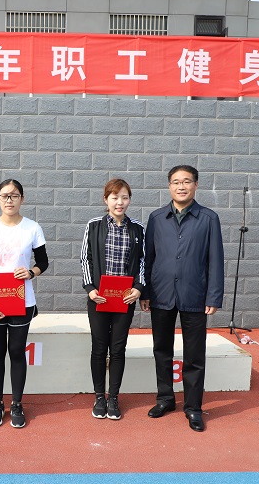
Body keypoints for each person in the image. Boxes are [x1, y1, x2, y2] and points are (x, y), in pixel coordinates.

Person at [140, 165, 224, 432]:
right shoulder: (156, 218)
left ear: (196, 185)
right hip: (161, 293)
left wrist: (213, 296)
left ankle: (193, 407)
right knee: (161, 349)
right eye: (176, 182)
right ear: (169, 186)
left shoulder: (208, 219)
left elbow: (216, 260)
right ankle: (165, 399)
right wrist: (145, 292)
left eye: (186, 181)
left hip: (195, 294)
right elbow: (148, 258)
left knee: (194, 354)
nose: (181, 186)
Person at [0, 179, 49, 428]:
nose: (9, 200)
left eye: (14, 195)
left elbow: (43, 262)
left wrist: (31, 272)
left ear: (22, 199)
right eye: (5, 196)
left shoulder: (32, 228)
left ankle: (17, 403)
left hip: (21, 300)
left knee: (17, 352)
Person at [80, 178, 145, 420]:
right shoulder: (94, 225)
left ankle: (114, 397)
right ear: (105, 199)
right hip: (99, 298)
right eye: (115, 197)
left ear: (129, 200)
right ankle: (99, 396)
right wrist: (90, 289)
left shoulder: (137, 229)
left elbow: (143, 261)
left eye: (124, 197)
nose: (120, 202)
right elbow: (85, 259)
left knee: (118, 348)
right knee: (99, 348)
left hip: (124, 299)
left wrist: (138, 288)